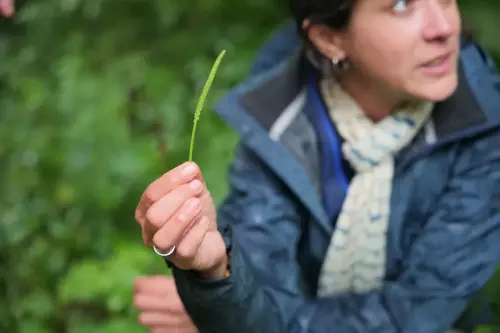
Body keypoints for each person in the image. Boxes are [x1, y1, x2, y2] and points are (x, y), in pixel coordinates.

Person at [136, 0, 500, 332]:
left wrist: (223, 319)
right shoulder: (279, 117)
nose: (444, 27)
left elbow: (417, 314)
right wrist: (215, 277)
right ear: (328, 38)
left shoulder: (485, 127)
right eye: (402, 5)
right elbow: (259, 285)